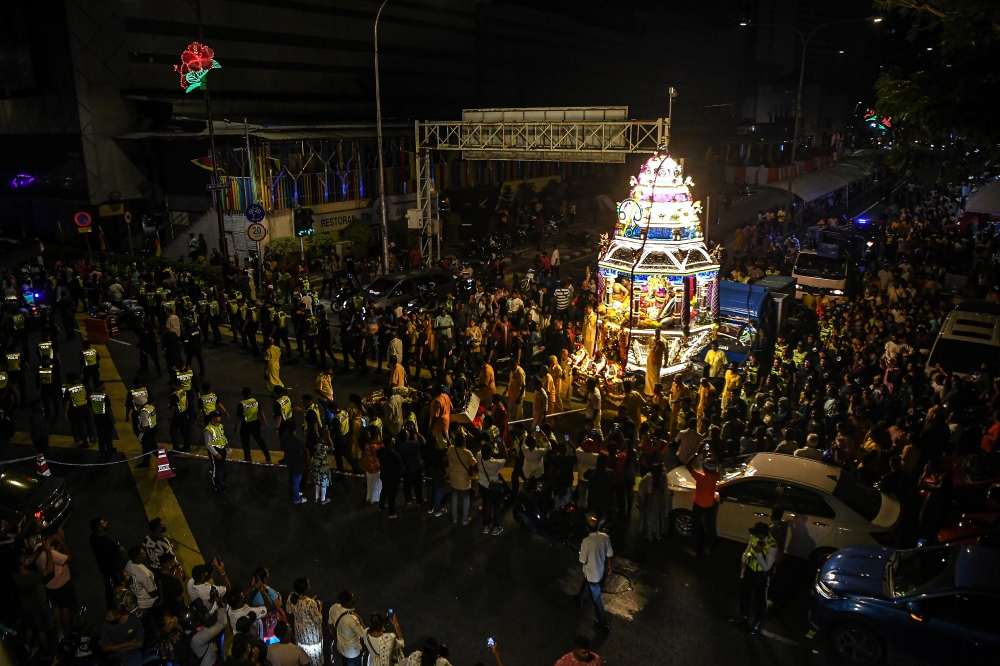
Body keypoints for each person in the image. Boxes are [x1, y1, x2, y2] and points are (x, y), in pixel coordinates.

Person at [731, 522, 778, 635]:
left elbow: (766, 567)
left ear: (761, 535)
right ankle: (743, 616)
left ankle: (757, 623)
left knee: (759, 600)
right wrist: (743, 560)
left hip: (760, 575)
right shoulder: (755, 537)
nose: (753, 535)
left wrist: (759, 553)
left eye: (755, 533)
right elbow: (748, 548)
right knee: (744, 594)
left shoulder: (772, 546)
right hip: (749, 571)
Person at [578, 515, 613, 631]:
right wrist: (609, 566)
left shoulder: (586, 542)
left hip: (592, 574)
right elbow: (609, 553)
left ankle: (603, 622)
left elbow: (582, 560)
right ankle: (580, 600)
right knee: (587, 585)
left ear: (587, 528)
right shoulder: (604, 537)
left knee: (596, 598)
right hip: (601, 570)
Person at [684, 453, 720, 557]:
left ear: (703, 467)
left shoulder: (700, 477)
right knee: (710, 527)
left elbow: (688, 464)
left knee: (696, 526)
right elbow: (718, 465)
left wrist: (696, 453)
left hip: (698, 505)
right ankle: (708, 548)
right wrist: (714, 454)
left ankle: (694, 549)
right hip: (710, 505)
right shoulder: (716, 476)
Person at [286, 579, 324, 666]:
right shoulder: (310, 602)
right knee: (314, 657)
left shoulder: (291, 597)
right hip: (312, 635)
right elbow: (318, 620)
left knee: (303, 654)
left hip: (300, 632)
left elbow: (288, 610)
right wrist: (319, 608)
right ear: (305, 588)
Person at [329, 591, 366, 666]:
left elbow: (330, 625)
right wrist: (360, 620)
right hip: (352, 652)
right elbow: (363, 634)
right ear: (349, 602)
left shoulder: (334, 608)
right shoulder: (352, 619)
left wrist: (336, 636)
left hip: (340, 648)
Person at [477, 441, 507, 536]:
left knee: (486, 505)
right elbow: (506, 458)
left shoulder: (479, 457)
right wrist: (503, 446)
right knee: (496, 506)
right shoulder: (495, 463)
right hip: (494, 487)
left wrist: (489, 444)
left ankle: (486, 526)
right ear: (491, 453)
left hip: (483, 485)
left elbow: (481, 450)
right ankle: (496, 527)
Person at [447, 432, 476, 525]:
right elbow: (475, 464)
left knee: (454, 497)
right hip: (464, 480)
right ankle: (464, 520)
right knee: (465, 498)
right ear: (464, 441)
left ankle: (454, 518)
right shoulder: (467, 452)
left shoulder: (451, 449)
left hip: (453, 478)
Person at [236, 387, 271, 463]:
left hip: (246, 425)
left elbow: (238, 417)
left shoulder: (241, 404)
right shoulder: (255, 401)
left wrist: (234, 427)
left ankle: (248, 458)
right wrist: (264, 420)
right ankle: (267, 455)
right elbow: (260, 411)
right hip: (255, 423)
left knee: (245, 442)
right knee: (259, 439)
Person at [637, 463, 670, 541]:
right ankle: (658, 534)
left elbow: (641, 492)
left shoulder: (648, 478)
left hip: (650, 502)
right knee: (659, 517)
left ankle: (650, 534)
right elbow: (665, 491)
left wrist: (641, 503)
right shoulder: (663, 478)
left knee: (650, 518)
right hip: (660, 502)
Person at [281, 423, 309, 504]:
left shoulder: (284, 436)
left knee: (292, 477)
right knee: (296, 480)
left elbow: (282, 447)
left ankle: (294, 492)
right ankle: (296, 499)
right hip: (296, 462)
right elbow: (301, 453)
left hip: (289, 460)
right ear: (296, 429)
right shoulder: (298, 440)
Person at [204, 411, 230, 491]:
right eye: (217, 417)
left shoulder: (220, 425)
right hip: (215, 450)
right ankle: (216, 485)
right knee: (216, 468)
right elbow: (208, 444)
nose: (220, 418)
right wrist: (216, 453)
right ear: (213, 418)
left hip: (222, 449)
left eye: (219, 416)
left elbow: (222, 436)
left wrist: (226, 444)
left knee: (222, 466)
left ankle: (221, 482)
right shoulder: (208, 429)